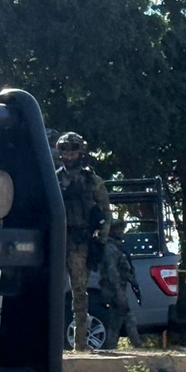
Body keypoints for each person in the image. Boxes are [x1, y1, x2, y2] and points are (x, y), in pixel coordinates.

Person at [56, 132, 112, 351]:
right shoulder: (54, 178)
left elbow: (106, 213)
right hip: (58, 241)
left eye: (73, 150)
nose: (69, 156)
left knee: (79, 291)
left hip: (80, 242)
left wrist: (101, 239)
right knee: (50, 290)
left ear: (81, 152)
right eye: (65, 151)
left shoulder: (92, 181)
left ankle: (80, 343)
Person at [101, 220, 144, 349]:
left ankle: (111, 346)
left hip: (118, 287)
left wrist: (131, 280)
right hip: (113, 289)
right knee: (128, 317)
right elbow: (112, 271)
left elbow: (123, 268)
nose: (121, 232)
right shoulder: (110, 248)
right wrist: (119, 292)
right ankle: (138, 345)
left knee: (116, 320)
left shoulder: (116, 247)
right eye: (118, 229)